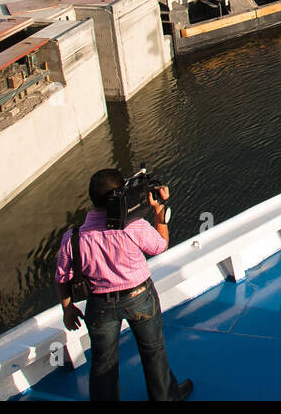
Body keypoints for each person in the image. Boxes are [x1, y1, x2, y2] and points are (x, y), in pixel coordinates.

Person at [56, 168, 193, 401]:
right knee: (153, 352)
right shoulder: (134, 226)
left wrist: (68, 308)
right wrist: (159, 211)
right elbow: (160, 246)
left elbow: (62, 277)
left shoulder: (74, 237)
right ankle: (166, 398)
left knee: (103, 362)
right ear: (121, 195)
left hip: (100, 305)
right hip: (140, 296)